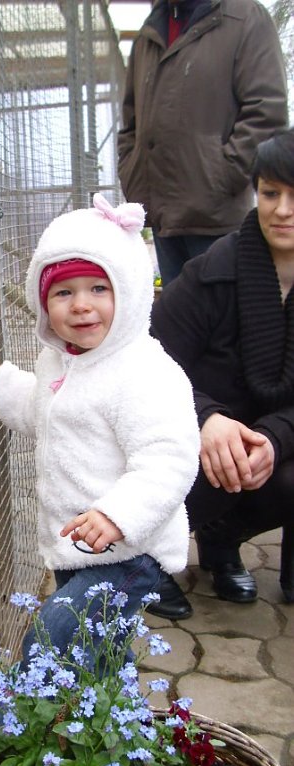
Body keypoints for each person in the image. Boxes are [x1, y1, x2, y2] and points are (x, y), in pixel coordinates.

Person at [0, 194, 200, 746]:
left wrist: (117, 515)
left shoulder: (144, 373)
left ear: (129, 294)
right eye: (63, 293)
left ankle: (5, 714)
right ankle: (119, 741)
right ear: (45, 305)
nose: (81, 306)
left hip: (130, 552)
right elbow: (41, 411)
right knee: (100, 658)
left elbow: (171, 458)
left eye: (99, 289)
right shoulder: (61, 363)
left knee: (57, 630)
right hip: (75, 549)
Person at [148, 127, 294, 621]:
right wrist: (205, 418)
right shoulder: (213, 270)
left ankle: (222, 540)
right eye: (270, 193)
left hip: (265, 449)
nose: (281, 210)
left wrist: (274, 438)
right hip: (195, 444)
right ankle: (145, 557)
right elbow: (148, 358)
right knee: (202, 457)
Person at [117, 0, 288, 287]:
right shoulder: (149, 33)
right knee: (178, 325)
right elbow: (131, 123)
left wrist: (222, 178)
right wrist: (133, 176)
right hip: (162, 218)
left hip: (217, 221)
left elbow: (266, 114)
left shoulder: (243, 18)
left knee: (226, 324)